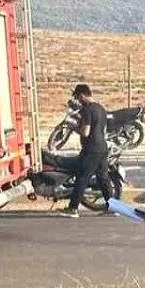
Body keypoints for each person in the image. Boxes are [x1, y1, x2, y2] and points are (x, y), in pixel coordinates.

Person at [64, 83, 111, 216]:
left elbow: (85, 132)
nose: (78, 101)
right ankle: (113, 208)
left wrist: (74, 128)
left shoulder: (87, 110)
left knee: (82, 177)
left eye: (78, 98)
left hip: (92, 149)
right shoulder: (101, 108)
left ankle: (73, 209)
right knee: (103, 179)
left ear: (82, 95)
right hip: (102, 147)